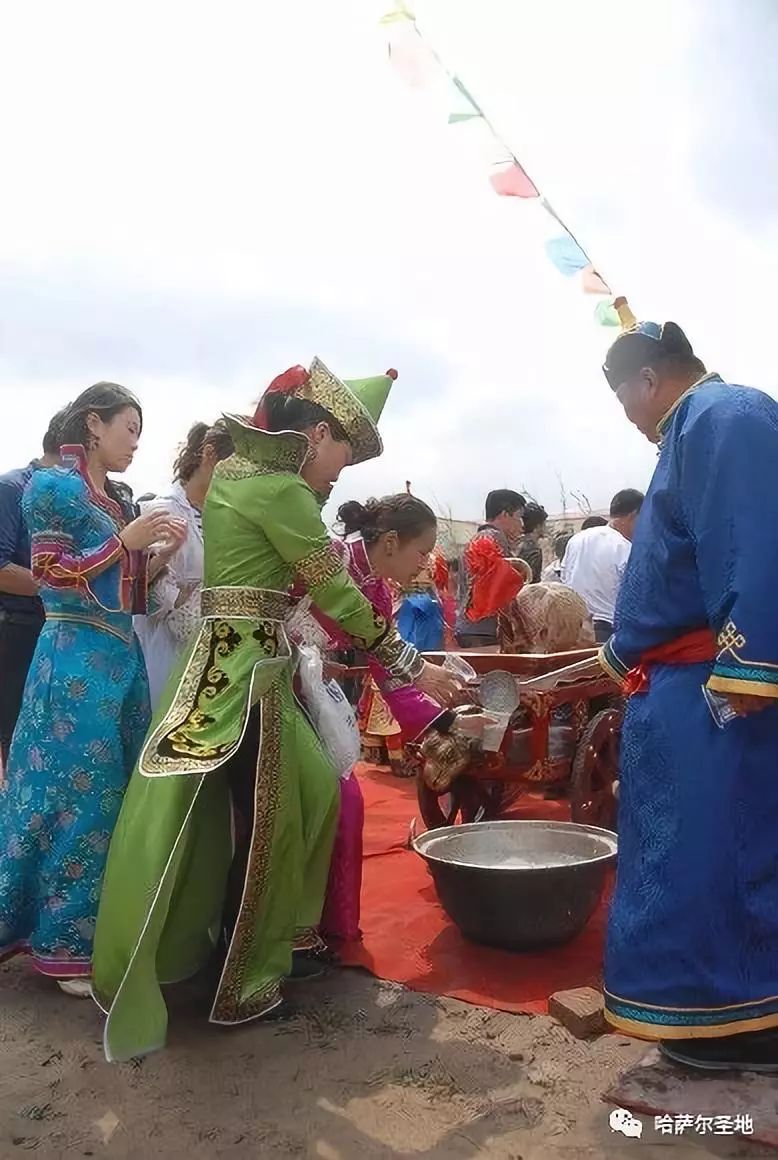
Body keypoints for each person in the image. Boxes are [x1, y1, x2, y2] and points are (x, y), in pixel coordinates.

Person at [92, 358, 462, 1062]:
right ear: (317, 433)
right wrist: (414, 665)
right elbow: (341, 599)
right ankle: (246, 985)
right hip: (245, 673)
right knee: (270, 820)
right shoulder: (279, 488)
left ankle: (283, 940)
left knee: (318, 790)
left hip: (246, 658)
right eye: (340, 461)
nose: (335, 478)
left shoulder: (241, 474)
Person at [599, 319, 778, 1072]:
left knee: (722, 856)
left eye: (622, 397)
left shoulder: (724, 417)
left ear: (648, 378)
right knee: (690, 857)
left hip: (720, 693)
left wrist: (751, 669)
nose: (626, 416)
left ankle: (745, 1018)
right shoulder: (694, 430)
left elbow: (754, 537)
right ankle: (707, 1008)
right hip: (678, 690)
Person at [0, 383, 185, 995]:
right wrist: (126, 543)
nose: (135, 441)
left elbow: (123, 593)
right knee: (75, 800)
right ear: (93, 424)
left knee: (113, 796)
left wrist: (154, 559)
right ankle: (61, 942)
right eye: (129, 427)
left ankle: (94, 928)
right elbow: (51, 575)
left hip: (117, 655)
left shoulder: (111, 501)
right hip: (73, 658)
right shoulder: (53, 487)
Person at [311, 493, 457, 940]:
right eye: (421, 552)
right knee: (331, 802)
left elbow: (386, 669)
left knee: (345, 804)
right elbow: (387, 656)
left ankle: (324, 930)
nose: (423, 564)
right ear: (391, 542)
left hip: (310, 685)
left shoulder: (373, 584)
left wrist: (438, 725)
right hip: (274, 682)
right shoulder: (330, 561)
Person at [134, 420, 235, 709]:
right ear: (209, 454)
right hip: (166, 649)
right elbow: (146, 597)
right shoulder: (162, 511)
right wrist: (187, 595)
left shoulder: (224, 517)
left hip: (213, 654)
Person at [0, 409, 66, 767]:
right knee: (17, 740)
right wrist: (67, 584)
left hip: (60, 633)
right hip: (20, 630)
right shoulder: (12, 489)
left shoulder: (77, 498)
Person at [561, 488, 644, 643]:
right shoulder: (625, 548)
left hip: (574, 631)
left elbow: (565, 578)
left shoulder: (577, 539)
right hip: (609, 632)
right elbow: (637, 598)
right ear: (634, 515)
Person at [455, 489, 527, 648]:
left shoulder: (481, 538)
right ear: (504, 514)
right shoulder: (489, 540)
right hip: (483, 629)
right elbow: (493, 591)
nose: (521, 523)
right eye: (519, 517)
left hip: (474, 628)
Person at [515, 502, 548, 583]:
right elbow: (530, 581)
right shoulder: (534, 550)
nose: (545, 527)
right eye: (544, 524)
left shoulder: (517, 543)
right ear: (538, 526)